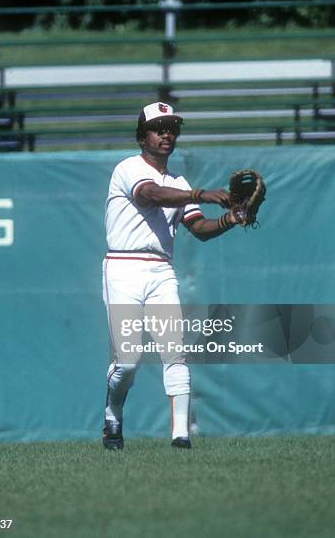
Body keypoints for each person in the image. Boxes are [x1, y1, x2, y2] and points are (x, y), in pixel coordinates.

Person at [102, 101, 238, 450]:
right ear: (141, 135)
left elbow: (200, 228)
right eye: (158, 127)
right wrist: (199, 194)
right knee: (128, 362)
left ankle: (181, 437)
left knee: (174, 352)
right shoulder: (128, 168)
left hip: (161, 270)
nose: (166, 134)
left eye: (172, 128)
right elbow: (151, 194)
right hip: (123, 267)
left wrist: (230, 219)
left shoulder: (178, 180)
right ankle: (113, 415)